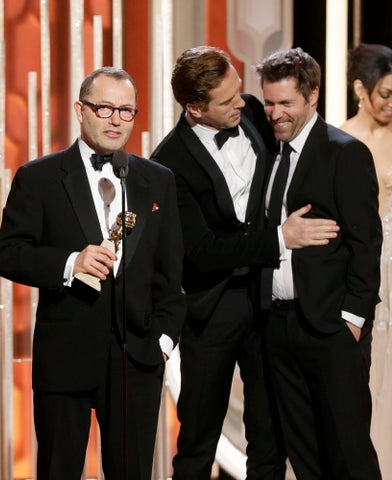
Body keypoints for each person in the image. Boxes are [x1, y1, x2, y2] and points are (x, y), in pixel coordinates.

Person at [151, 46, 338, 479]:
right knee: (199, 438)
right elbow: (200, 252)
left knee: (269, 436)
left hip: (268, 301)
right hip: (213, 307)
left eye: (239, 91)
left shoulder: (252, 112)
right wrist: (279, 238)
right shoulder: (168, 163)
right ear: (194, 108)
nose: (243, 102)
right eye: (227, 99)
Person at [0, 66, 185, 479]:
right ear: (81, 110)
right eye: (105, 108)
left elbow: (171, 274)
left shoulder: (157, 180)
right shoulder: (40, 177)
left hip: (138, 361)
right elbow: (6, 253)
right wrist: (69, 263)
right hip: (66, 357)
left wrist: (163, 342)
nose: (116, 120)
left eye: (126, 111)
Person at [256, 47, 383, 479]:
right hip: (280, 326)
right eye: (270, 103)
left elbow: (368, 243)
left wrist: (351, 319)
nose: (275, 113)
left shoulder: (344, 152)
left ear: (313, 96)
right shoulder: (270, 154)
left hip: (331, 328)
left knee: (348, 454)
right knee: (304, 455)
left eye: (286, 103)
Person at [340, 42, 392, 478]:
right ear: (361, 89)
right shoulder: (343, 140)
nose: (391, 104)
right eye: (386, 93)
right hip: (367, 267)